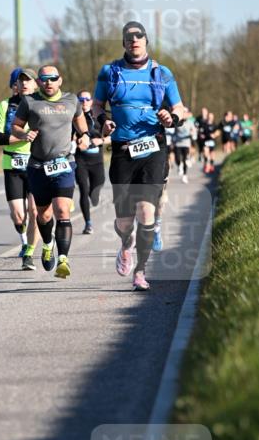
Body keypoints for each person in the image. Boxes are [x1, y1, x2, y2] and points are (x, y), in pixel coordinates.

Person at [91, 21, 187, 292]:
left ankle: (140, 271)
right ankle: (126, 244)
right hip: (122, 150)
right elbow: (97, 105)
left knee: (146, 210)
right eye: (129, 37)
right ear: (123, 42)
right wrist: (103, 121)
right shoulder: (109, 72)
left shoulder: (162, 73)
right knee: (124, 220)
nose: (134, 40)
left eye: (139, 36)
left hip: (153, 148)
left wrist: (172, 117)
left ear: (146, 40)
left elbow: (180, 108)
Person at [11, 65, 90, 279]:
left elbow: (80, 122)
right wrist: (23, 134)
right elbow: (15, 126)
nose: (48, 82)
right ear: (39, 82)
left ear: (60, 80)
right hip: (38, 166)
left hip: (64, 163)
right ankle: (48, 244)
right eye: (44, 79)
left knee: (62, 210)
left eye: (53, 78)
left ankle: (63, 259)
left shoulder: (71, 100)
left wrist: (84, 135)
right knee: (44, 215)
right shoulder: (29, 102)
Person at [0, 67, 39, 270]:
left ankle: (29, 251)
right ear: (16, 84)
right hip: (12, 165)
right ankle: (24, 237)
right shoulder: (6, 105)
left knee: (35, 211)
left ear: (36, 84)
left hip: (35, 163)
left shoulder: (42, 105)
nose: (24, 83)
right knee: (18, 215)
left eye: (28, 80)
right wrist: (23, 137)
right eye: (21, 80)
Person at [73, 90, 106, 234]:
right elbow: (69, 137)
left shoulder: (99, 117)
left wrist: (101, 140)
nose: (84, 102)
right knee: (83, 190)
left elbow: (113, 136)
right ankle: (88, 223)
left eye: (87, 99)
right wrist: (76, 141)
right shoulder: (74, 118)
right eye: (81, 100)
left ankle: (95, 195)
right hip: (81, 159)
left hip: (97, 161)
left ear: (91, 101)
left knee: (94, 194)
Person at [173, 112, 195, 183]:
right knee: (177, 158)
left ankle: (185, 175)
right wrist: (173, 141)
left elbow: (194, 130)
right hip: (178, 143)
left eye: (186, 114)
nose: (185, 116)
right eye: (184, 114)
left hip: (186, 144)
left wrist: (192, 133)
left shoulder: (190, 122)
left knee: (185, 159)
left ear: (188, 115)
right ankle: (179, 165)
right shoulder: (178, 122)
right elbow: (174, 132)